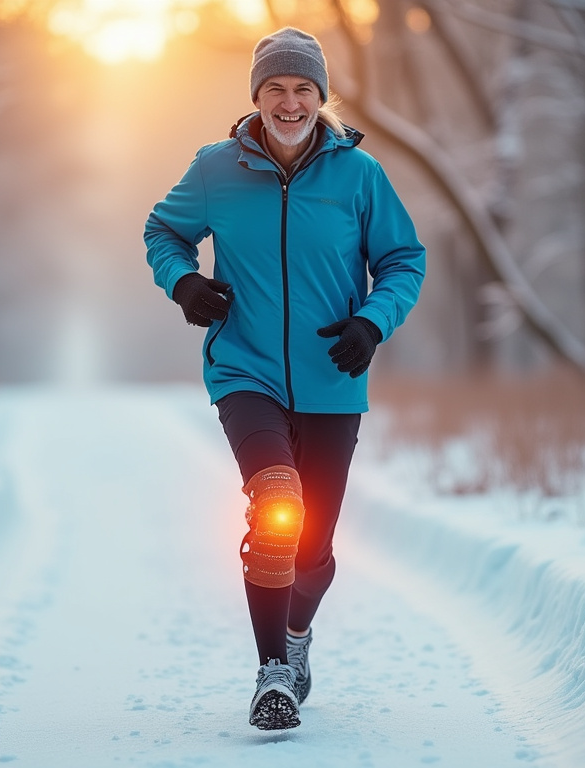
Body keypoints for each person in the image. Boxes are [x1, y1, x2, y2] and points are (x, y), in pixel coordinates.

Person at [144, 26, 426, 731]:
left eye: (303, 89)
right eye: (276, 89)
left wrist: (371, 323)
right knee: (276, 503)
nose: (290, 102)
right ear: (256, 97)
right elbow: (162, 231)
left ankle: (298, 637)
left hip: (334, 379)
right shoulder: (216, 169)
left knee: (314, 549)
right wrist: (183, 283)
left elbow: (403, 259)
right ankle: (273, 672)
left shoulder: (358, 176)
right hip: (246, 371)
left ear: (320, 98)